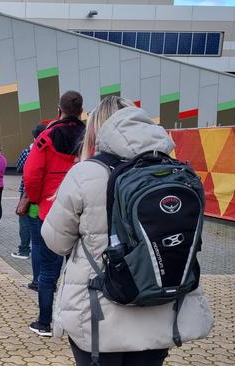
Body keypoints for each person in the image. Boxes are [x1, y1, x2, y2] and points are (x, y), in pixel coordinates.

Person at [41, 96, 214, 365]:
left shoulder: (85, 173)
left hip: (100, 315)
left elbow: (56, 242)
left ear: (96, 130)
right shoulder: (174, 171)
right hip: (159, 311)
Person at [24, 90, 86, 337]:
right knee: (82, 270)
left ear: (58, 110)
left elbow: (31, 174)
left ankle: (45, 323)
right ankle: (77, 325)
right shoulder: (90, 138)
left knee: (49, 271)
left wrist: (39, 199)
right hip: (85, 212)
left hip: (51, 211)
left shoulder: (46, 137)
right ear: (81, 111)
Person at [11, 125, 46, 269]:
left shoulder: (28, 152)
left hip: (28, 193)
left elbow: (19, 167)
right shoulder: (52, 150)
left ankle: (24, 249)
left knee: (25, 221)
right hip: (46, 194)